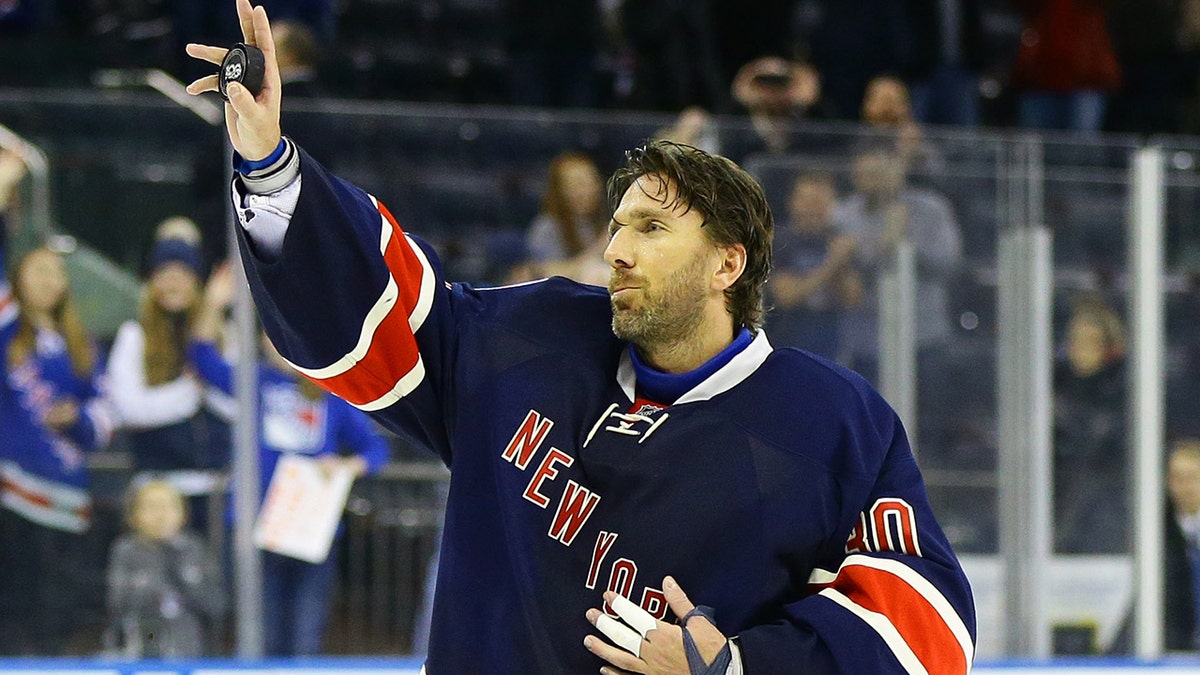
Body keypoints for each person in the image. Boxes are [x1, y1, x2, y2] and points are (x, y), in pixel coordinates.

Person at [185, 3, 976, 671]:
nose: (615, 250)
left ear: (727, 263)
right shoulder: (529, 336)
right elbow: (378, 314)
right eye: (617, 225)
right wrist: (270, 166)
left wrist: (736, 663)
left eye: (652, 227)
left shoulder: (831, 420)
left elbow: (927, 625)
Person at [189, 263, 390, 657]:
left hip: (310, 528)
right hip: (256, 523)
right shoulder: (252, 381)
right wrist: (213, 304)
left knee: (304, 638)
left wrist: (348, 466)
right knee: (259, 637)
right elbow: (202, 358)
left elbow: (376, 450)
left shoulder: (333, 394)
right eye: (273, 335)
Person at [0, 245, 113, 655]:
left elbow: (104, 414)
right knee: (14, 605)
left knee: (61, 608)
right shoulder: (7, 332)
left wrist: (77, 419)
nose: (49, 280)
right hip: (13, 497)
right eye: (38, 270)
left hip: (67, 497)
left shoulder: (80, 342)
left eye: (56, 272)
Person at [106, 226, 230, 473]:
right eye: (164, 273)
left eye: (182, 273)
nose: (173, 282)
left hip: (216, 481)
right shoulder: (134, 335)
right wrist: (192, 390)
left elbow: (239, 404)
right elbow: (128, 408)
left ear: (196, 281)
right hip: (158, 480)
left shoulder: (223, 333)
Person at [106, 478, 225, 657]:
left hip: (190, 645)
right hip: (144, 638)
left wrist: (184, 578)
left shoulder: (194, 548)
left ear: (183, 514)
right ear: (133, 515)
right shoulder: (127, 550)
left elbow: (216, 605)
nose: (160, 514)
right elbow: (118, 604)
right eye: (151, 507)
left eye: (169, 506)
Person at [1052, 293, 1127, 554]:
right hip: (1059, 489)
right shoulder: (1054, 382)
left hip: (1105, 493)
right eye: (1075, 341)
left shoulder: (1122, 389)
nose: (1080, 349)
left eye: (1090, 342)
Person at [767, 171, 863, 359]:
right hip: (787, 343)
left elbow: (852, 298)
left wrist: (842, 265)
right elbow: (787, 296)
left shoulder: (838, 240)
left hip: (832, 344)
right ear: (792, 202)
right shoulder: (781, 241)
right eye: (808, 201)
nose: (814, 209)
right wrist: (832, 263)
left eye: (821, 203)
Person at [1166, 438, 1200, 651]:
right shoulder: (1153, 534)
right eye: (1178, 478)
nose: (1185, 486)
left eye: (1193, 477)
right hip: (1173, 648)